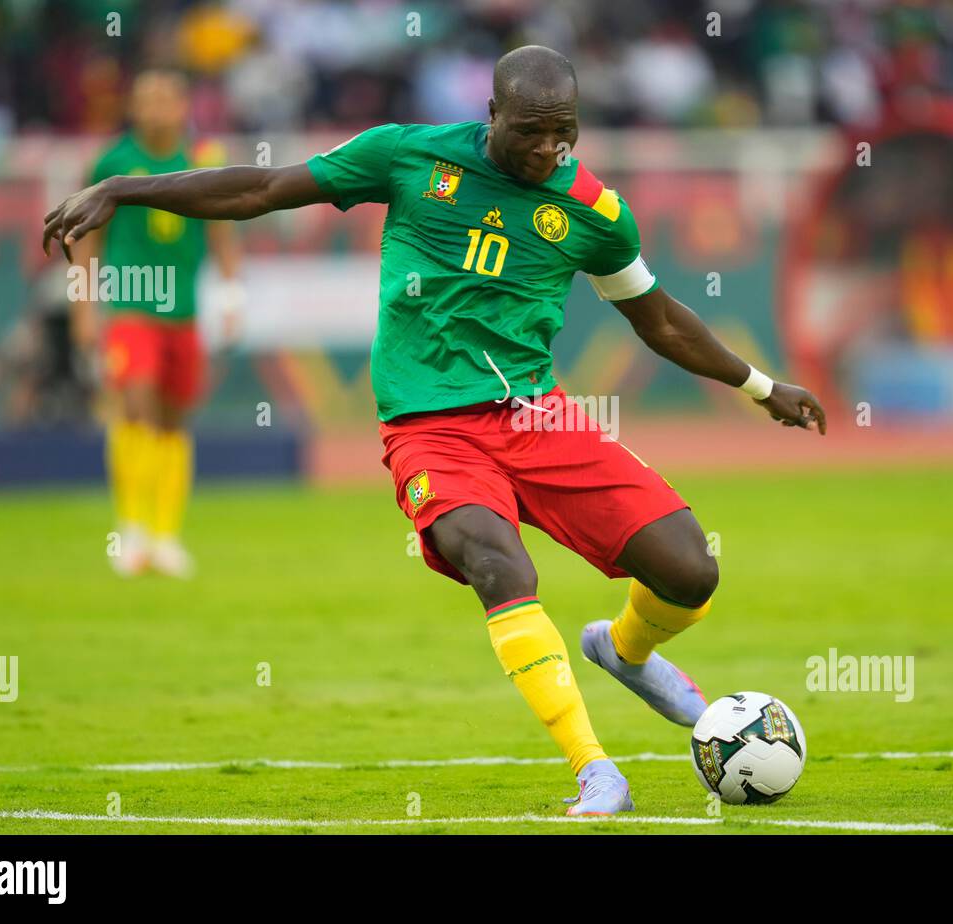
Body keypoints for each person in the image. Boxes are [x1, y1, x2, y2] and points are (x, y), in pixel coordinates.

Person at [44, 46, 825, 814]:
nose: (550, 148)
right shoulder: (406, 156)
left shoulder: (595, 213)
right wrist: (127, 187)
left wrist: (760, 386)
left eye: (566, 132)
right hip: (430, 428)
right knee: (501, 566)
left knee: (691, 572)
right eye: (532, 131)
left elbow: (658, 321)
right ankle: (597, 772)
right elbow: (261, 188)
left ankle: (622, 651)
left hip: (537, 415)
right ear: (492, 115)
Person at [69, 70, 244, 578]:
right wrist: (84, 305)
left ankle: (166, 535)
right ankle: (131, 528)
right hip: (131, 306)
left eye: (166, 98)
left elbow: (222, 232)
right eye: (146, 99)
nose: (156, 108)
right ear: (134, 107)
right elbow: (86, 239)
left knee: (172, 419)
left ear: (184, 105)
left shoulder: (203, 160)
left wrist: (232, 295)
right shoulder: (112, 164)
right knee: (135, 404)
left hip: (184, 312)